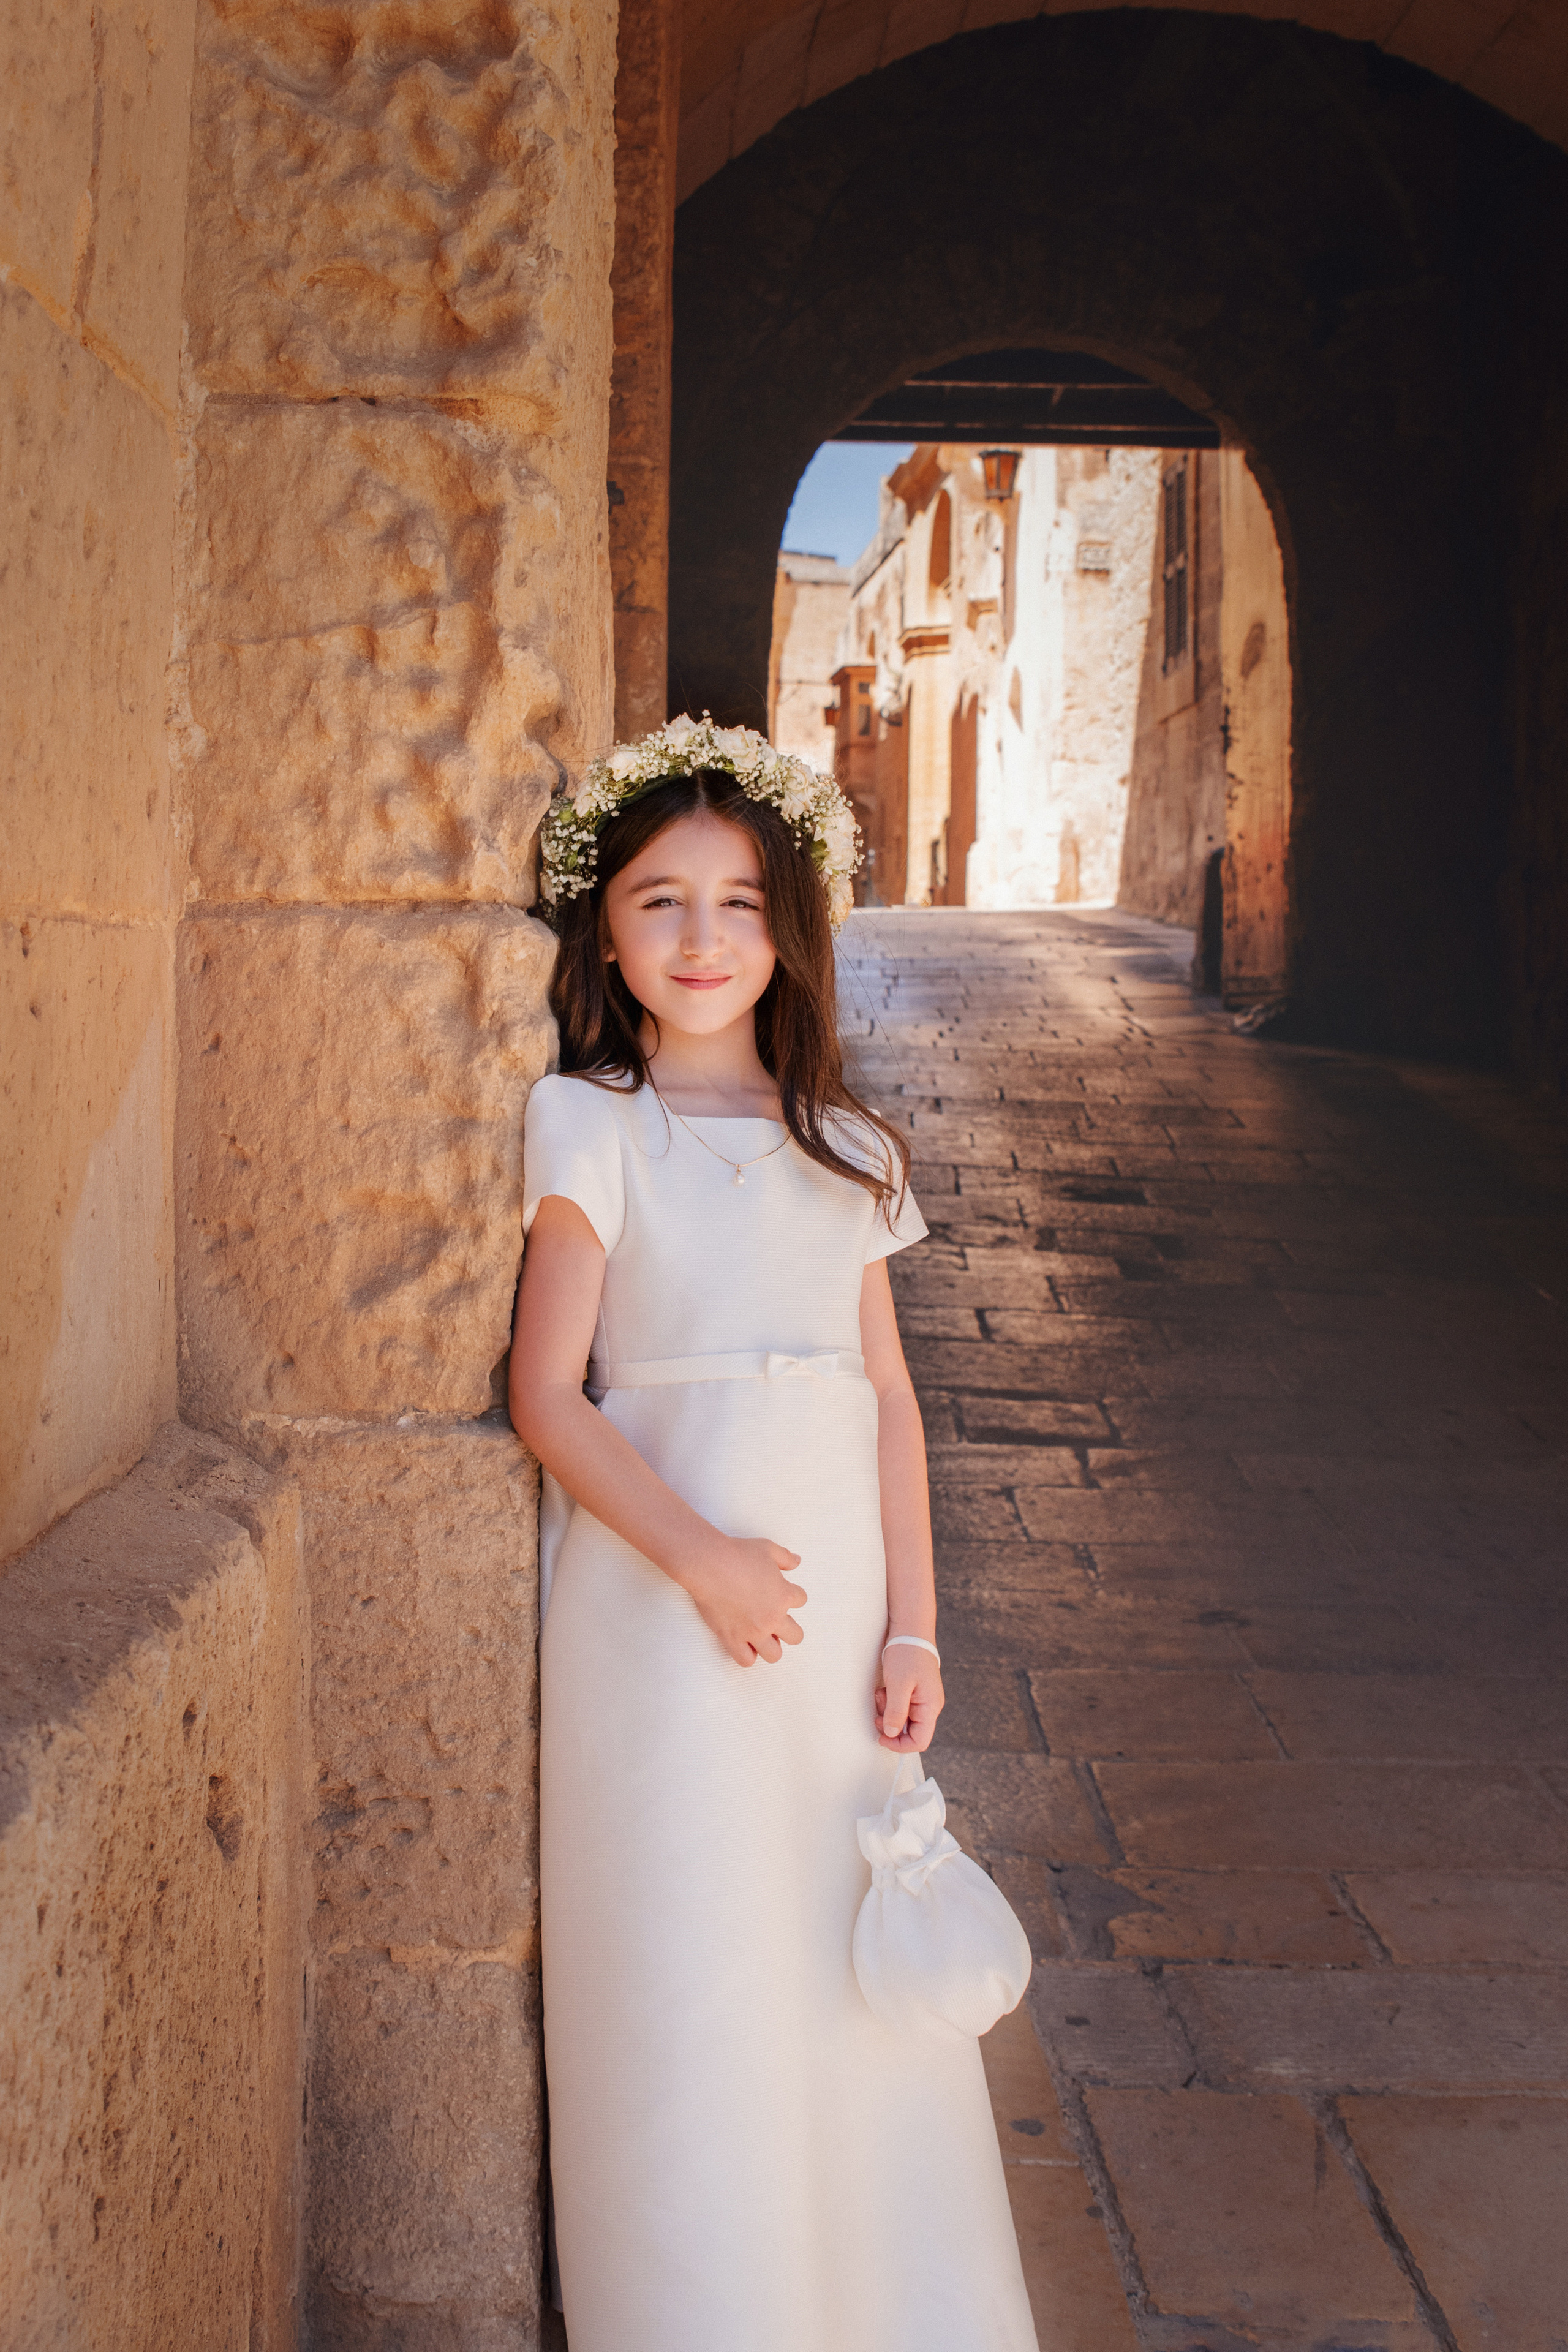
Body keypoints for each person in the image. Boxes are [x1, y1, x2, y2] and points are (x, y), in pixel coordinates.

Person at [509, 716, 1038, 2352]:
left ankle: (888, 2308)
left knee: (838, 1947)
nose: (700, 937)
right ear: (606, 925)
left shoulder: (852, 1149)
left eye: (738, 903)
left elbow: (890, 1399)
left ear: (787, 927)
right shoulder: (591, 1119)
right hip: (661, 1610)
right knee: (692, 1949)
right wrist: (706, 1561)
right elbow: (548, 1391)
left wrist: (916, 1628)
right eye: (660, 900)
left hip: (837, 1628)